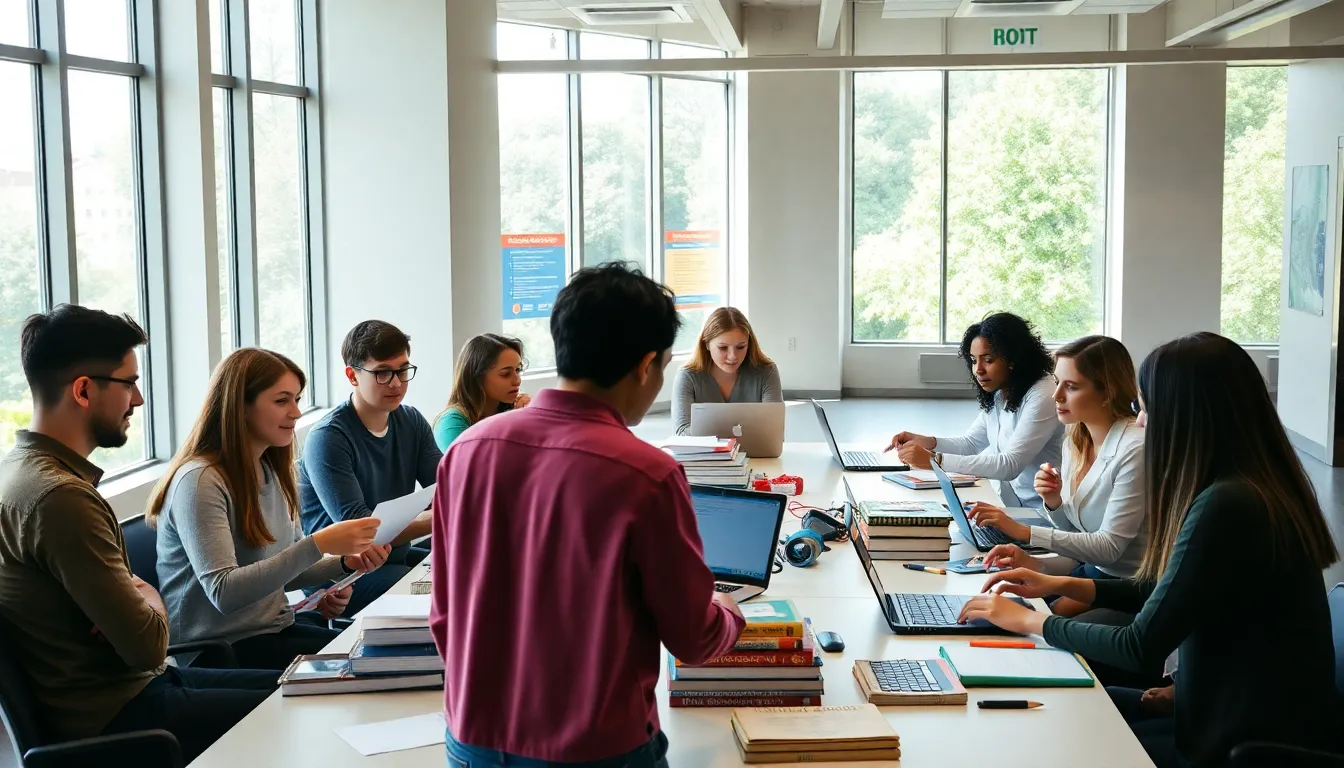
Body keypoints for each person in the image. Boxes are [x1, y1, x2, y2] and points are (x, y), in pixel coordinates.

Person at [957, 332, 1341, 768]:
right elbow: (1165, 589)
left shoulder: (1227, 504)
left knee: (1052, 730)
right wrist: (1057, 583)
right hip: (1223, 711)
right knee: (1059, 710)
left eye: (1146, 408)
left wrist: (1030, 621)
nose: (1139, 422)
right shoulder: (1253, 486)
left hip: (1233, 742)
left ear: (1186, 416)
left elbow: (1139, 645)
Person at [431, 263, 746, 767]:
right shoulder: (647, 473)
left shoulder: (467, 450)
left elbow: (445, 611)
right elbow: (692, 636)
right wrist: (728, 611)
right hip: (596, 747)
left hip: (472, 738)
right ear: (646, 365)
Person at [0, 305, 278, 762]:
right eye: (128, 383)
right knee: (300, 710)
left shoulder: (20, 474)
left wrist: (136, 605)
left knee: (299, 688)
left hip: (138, 690)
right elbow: (148, 647)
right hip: (121, 715)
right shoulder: (60, 498)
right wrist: (149, 596)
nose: (139, 399)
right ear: (84, 390)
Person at [150, 348, 394, 670]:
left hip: (271, 631)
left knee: (383, 655)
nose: (296, 412)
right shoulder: (200, 482)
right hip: (220, 650)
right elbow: (224, 592)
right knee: (371, 665)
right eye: (281, 401)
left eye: (297, 399)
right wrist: (318, 543)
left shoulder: (269, 470)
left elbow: (285, 572)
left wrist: (344, 564)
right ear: (240, 407)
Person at [974, 336, 1147, 616]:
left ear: (1107, 392)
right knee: (996, 601)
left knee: (1022, 619)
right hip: (1091, 571)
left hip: (1125, 586)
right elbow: (1079, 536)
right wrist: (1054, 502)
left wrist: (1025, 532)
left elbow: (1110, 548)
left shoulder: (1134, 448)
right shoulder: (1075, 438)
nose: (1056, 396)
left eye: (1071, 386)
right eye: (1057, 382)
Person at [298, 320, 441, 615]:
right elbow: (362, 533)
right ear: (352, 375)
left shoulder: (411, 421)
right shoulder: (328, 437)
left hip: (391, 557)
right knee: (436, 592)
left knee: (464, 566)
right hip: (343, 577)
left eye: (403, 370)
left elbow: (447, 487)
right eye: (382, 373)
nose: (396, 383)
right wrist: (440, 518)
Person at [889, 312, 1064, 508]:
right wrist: (929, 443)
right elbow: (971, 444)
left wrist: (935, 460)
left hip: (1042, 514)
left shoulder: (1043, 394)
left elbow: (1010, 465)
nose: (978, 370)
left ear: (1013, 359)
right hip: (1013, 504)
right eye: (973, 360)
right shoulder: (1002, 390)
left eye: (988, 360)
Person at [671, 307, 782, 435]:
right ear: (706, 344)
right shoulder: (687, 376)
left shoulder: (766, 372)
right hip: (707, 450)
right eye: (723, 348)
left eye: (741, 347)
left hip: (757, 449)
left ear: (749, 344)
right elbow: (681, 432)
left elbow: (774, 430)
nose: (733, 356)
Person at [432, 333, 530, 451]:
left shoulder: (513, 409)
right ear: (478, 377)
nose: (518, 380)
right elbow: (480, 461)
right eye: (505, 374)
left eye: (518, 370)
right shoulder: (452, 422)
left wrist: (529, 416)